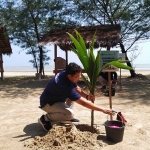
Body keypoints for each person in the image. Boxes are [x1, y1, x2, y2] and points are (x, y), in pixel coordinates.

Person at [38, 62, 114, 131]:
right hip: (48, 104)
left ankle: (66, 118)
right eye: (77, 77)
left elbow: (77, 88)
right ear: (69, 76)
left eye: (79, 76)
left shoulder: (66, 73)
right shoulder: (64, 84)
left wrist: (87, 96)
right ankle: (45, 118)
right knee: (69, 114)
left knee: (71, 98)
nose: (79, 78)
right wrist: (103, 109)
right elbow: (83, 103)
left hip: (56, 99)